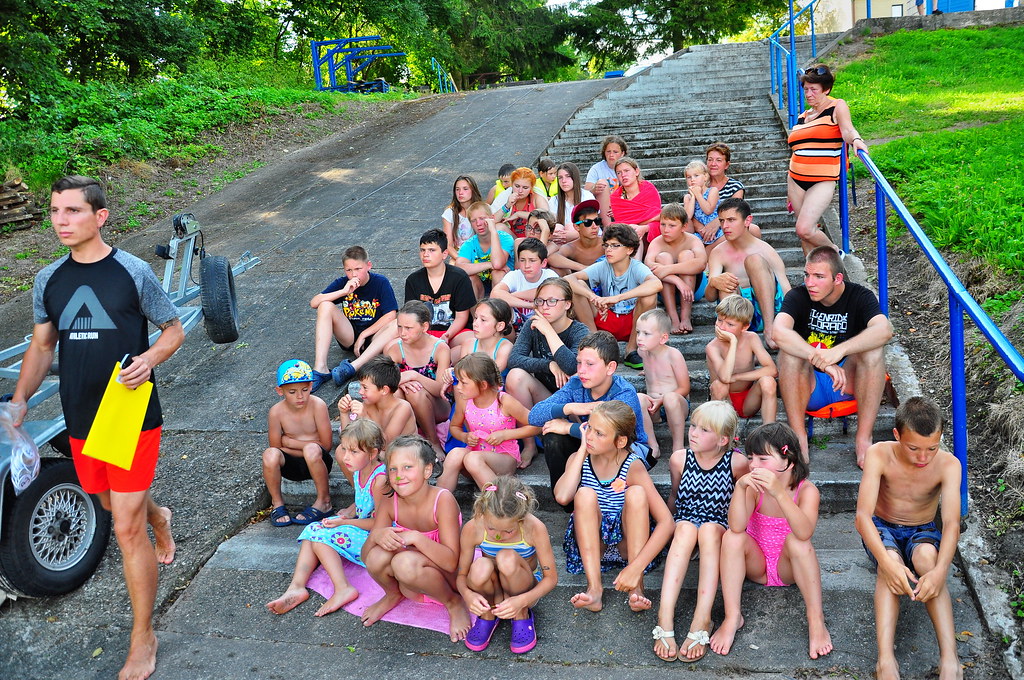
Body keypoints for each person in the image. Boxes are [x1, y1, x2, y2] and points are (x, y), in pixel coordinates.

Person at [10, 175, 184, 680]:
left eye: (72, 211)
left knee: (124, 529)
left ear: (99, 216)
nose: (60, 221)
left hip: (130, 413)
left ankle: (143, 637)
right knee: (109, 501)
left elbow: (172, 329)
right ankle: (160, 514)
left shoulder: (131, 272)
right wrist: (19, 401)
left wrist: (149, 359)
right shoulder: (49, 280)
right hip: (81, 415)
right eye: (54, 211)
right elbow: (43, 347)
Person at [856, 397, 961, 680]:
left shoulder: (949, 465)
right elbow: (862, 516)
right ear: (897, 435)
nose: (923, 458)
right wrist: (887, 564)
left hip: (922, 529)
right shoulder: (879, 454)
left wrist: (940, 572)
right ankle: (885, 660)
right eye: (914, 448)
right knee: (888, 562)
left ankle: (950, 659)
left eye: (932, 448)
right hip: (882, 527)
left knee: (927, 560)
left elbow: (951, 523)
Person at [710, 423, 833, 660]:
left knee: (798, 542)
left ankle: (816, 621)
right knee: (732, 538)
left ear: (789, 460)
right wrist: (740, 487)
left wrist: (778, 492)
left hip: (789, 568)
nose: (754, 465)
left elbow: (804, 532)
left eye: (763, 459)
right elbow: (736, 526)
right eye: (751, 458)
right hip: (756, 565)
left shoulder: (807, 491)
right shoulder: (754, 488)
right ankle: (732, 615)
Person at [774, 247, 892, 466]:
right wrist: (822, 360)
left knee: (872, 349)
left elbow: (884, 330)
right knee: (788, 354)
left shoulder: (859, 296)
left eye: (819, 277)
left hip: (848, 383)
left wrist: (839, 351)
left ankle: (863, 439)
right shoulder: (798, 296)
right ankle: (799, 439)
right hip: (810, 385)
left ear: (837, 278)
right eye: (807, 275)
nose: (810, 283)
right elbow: (778, 332)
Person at [553, 401, 674, 613]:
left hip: (627, 546)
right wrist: (581, 452)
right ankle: (594, 589)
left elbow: (667, 522)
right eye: (589, 427)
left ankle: (636, 588)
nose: (590, 436)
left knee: (636, 493)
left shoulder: (633, 465)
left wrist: (636, 568)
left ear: (620, 441)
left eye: (599, 433)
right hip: (594, 546)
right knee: (584, 494)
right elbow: (563, 496)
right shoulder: (578, 459)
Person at [654, 401, 748, 663]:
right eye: (693, 425)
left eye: (704, 430)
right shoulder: (679, 459)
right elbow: (675, 497)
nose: (693, 432)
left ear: (723, 439)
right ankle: (665, 616)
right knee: (683, 528)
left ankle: (702, 617)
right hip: (685, 525)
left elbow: (743, 506)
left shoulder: (737, 463)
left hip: (718, 527)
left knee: (707, 530)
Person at [266, 420, 387, 617]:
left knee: (320, 537)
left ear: (373, 454)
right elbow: (365, 502)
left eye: (354, 452)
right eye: (345, 450)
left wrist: (345, 522)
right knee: (314, 530)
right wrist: (349, 510)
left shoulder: (380, 479)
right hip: (364, 529)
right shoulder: (360, 470)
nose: (346, 457)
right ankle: (296, 586)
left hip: (378, 539)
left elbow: (381, 523)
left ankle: (343, 588)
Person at [360, 435, 472, 643]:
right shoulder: (389, 501)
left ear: (427, 470)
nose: (399, 475)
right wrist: (376, 535)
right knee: (377, 555)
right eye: (393, 469)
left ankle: (453, 603)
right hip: (411, 584)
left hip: (448, 580)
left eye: (408, 467)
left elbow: (451, 562)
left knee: (403, 562)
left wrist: (415, 538)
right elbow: (366, 557)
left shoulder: (442, 499)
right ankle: (392, 594)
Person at [529, 331, 654, 495]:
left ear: (610, 367)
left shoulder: (624, 393)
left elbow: (612, 439)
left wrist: (568, 428)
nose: (581, 370)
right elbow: (534, 415)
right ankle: (570, 500)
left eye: (589, 364)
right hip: (590, 445)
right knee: (553, 437)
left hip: (626, 450)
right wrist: (571, 408)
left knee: (568, 433)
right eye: (579, 363)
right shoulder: (576, 384)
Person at [458, 476, 557, 654]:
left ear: (521, 519)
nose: (498, 536)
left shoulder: (534, 528)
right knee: (480, 565)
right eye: (492, 528)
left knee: (507, 558)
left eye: (508, 531)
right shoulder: (473, 527)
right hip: (492, 588)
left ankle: (521, 614)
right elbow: (461, 575)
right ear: (482, 514)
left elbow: (551, 578)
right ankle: (487, 614)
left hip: (524, 588)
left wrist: (523, 600)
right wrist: (468, 595)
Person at [505, 278, 590, 468]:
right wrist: (549, 364)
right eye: (540, 301)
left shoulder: (579, 331)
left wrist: (548, 332)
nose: (544, 307)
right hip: (545, 397)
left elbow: (571, 367)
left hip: (574, 403)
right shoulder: (532, 325)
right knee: (515, 376)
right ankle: (529, 444)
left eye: (552, 301)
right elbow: (514, 359)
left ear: (567, 304)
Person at [788, 64, 869, 254]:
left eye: (813, 90)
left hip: (822, 178)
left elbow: (847, 130)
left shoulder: (836, 106)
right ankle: (811, 277)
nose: (808, 94)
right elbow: (797, 149)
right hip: (795, 178)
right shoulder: (803, 117)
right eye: (806, 89)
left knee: (804, 229)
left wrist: (856, 140)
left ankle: (834, 252)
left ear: (826, 89)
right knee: (805, 236)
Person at [436, 353, 539, 492]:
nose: (458, 387)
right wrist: (465, 437)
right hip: (474, 457)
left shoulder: (503, 401)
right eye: (457, 382)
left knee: (472, 459)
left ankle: (501, 503)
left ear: (483, 384)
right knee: (454, 454)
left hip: (504, 459)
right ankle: (437, 503)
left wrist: (505, 434)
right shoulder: (464, 401)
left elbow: (537, 426)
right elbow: (454, 427)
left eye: (463, 383)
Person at [566, 223, 662, 370]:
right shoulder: (603, 265)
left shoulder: (636, 267)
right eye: (606, 245)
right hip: (606, 319)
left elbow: (656, 284)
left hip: (633, 323)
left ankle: (631, 350)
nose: (608, 249)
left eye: (615, 246)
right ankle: (594, 341)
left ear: (629, 249)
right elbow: (569, 279)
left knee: (649, 295)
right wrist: (593, 297)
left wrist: (616, 298)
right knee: (577, 288)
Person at [703, 198, 791, 349]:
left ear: (747, 220)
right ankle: (741, 344)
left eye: (731, 220)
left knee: (754, 260)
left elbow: (787, 293)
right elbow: (710, 297)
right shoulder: (718, 252)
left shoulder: (765, 250)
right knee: (725, 283)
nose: (725, 226)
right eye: (722, 221)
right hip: (739, 315)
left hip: (770, 312)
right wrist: (714, 282)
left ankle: (769, 332)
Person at [309, 245, 399, 393]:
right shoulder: (343, 283)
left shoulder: (380, 282)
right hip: (349, 335)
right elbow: (314, 302)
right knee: (324, 305)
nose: (353, 274)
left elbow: (390, 315)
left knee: (397, 324)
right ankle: (321, 369)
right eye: (349, 270)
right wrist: (343, 291)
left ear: (368, 265)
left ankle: (353, 367)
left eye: (358, 269)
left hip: (375, 337)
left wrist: (364, 334)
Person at [263, 360, 334, 527]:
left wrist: (290, 442)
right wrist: (305, 446)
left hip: (319, 461)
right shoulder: (276, 412)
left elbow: (326, 445)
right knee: (269, 455)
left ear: (311, 385)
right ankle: (278, 504)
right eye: (292, 392)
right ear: (280, 391)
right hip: (292, 466)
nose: (300, 396)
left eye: (304, 390)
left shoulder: (318, 405)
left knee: (312, 450)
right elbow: (275, 447)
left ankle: (324, 501)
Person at [384, 301, 452, 460]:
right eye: (399, 327)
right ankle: (398, 444)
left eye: (408, 328)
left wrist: (414, 376)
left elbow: (440, 390)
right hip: (408, 408)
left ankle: (433, 441)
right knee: (398, 392)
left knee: (415, 392)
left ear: (425, 327)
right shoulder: (395, 348)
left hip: (438, 405)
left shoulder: (440, 348)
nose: (402, 332)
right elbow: (384, 382)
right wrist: (402, 380)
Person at [706, 295, 778, 423]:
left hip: (748, 400)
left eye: (730, 324)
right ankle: (724, 431)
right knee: (719, 385)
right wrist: (733, 342)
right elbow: (726, 378)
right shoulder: (713, 347)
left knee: (768, 381)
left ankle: (769, 432)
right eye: (719, 320)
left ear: (744, 327)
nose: (722, 327)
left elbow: (772, 370)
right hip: (723, 399)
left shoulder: (751, 338)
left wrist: (738, 377)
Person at [403, 228, 477, 342]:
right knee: (392, 339)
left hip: (454, 332)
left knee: (471, 341)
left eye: (432, 250)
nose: (425, 255)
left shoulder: (459, 277)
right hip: (423, 333)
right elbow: (412, 316)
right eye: (422, 250)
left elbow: (462, 317)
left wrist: (447, 336)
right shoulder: (413, 280)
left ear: (444, 254)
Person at [644, 202, 707, 334]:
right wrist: (678, 281)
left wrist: (668, 269)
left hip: (693, 290)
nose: (666, 230)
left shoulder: (693, 240)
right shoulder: (657, 242)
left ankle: (685, 315)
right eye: (663, 224)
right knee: (663, 257)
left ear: (684, 227)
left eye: (672, 226)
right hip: (665, 291)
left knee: (687, 255)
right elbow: (648, 267)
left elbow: (701, 264)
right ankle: (673, 317)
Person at [634, 309, 690, 456]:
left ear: (663, 338)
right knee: (638, 398)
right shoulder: (643, 352)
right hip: (654, 408)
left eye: (646, 334)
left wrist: (662, 399)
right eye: (638, 332)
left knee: (669, 397)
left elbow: (685, 387)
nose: (639, 338)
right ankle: (652, 446)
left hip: (676, 405)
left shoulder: (673, 355)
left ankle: (677, 447)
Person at [336, 355, 416, 449]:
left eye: (365, 387)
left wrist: (364, 417)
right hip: (380, 453)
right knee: (341, 451)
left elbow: (385, 445)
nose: (360, 392)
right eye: (360, 386)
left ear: (384, 390)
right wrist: (344, 413)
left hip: (403, 454)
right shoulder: (368, 404)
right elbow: (347, 440)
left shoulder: (402, 408)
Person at [490, 237, 558, 331]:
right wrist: (530, 305)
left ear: (543, 263)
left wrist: (510, 296)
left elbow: (546, 293)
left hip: (545, 324)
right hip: (518, 325)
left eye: (532, 260)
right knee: (502, 308)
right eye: (522, 260)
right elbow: (495, 294)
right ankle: (512, 343)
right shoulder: (514, 275)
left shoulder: (550, 275)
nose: (526, 265)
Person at [601, 156, 663, 251]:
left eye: (626, 171)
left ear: (636, 172)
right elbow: (622, 223)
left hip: (649, 228)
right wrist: (635, 225)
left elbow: (658, 216)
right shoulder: (615, 197)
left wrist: (644, 227)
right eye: (619, 172)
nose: (623, 175)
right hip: (627, 232)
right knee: (626, 232)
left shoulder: (649, 188)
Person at [456, 201, 514, 299]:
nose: (478, 223)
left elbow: (498, 264)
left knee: (497, 273)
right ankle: (476, 314)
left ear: (491, 219)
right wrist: (489, 264)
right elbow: (459, 268)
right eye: (474, 220)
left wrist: (493, 232)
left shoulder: (505, 238)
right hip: (481, 286)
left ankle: (498, 313)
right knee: (470, 278)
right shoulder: (469, 244)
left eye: (482, 218)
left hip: (504, 285)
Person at [448, 298, 514, 370]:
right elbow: (463, 372)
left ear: (499, 326)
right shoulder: (468, 344)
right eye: (476, 317)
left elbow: (491, 375)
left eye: (483, 320)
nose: (475, 323)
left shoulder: (505, 347)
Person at [546, 200, 605, 275]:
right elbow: (552, 258)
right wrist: (584, 268)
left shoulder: (606, 244)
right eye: (588, 222)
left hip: (607, 283)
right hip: (579, 283)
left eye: (597, 221)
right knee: (557, 269)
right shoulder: (572, 247)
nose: (595, 226)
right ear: (576, 226)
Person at [492, 167, 549, 239]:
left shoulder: (536, 197)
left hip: (535, 239)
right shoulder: (505, 196)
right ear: (512, 184)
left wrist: (519, 214)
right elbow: (491, 222)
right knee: (498, 227)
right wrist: (507, 205)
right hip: (513, 239)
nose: (520, 191)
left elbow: (547, 219)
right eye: (517, 186)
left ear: (531, 187)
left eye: (525, 187)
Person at [547, 162, 594, 245]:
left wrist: (574, 235)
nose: (563, 181)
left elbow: (592, 225)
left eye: (568, 176)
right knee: (557, 227)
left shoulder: (587, 196)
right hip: (562, 243)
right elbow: (552, 227)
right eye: (560, 178)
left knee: (571, 226)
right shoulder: (554, 201)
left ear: (574, 178)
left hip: (585, 239)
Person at [442, 175, 484, 262]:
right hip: (460, 254)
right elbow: (448, 245)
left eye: (465, 189)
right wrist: (461, 259)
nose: (460, 193)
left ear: (473, 191)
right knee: (454, 266)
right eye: (457, 189)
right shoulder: (449, 213)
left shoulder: (482, 209)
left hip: (481, 252)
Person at [682, 160, 721, 246]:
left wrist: (698, 195)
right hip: (699, 232)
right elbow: (687, 216)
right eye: (689, 177)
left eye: (696, 176)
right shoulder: (688, 197)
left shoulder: (712, 191)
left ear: (705, 177)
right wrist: (693, 197)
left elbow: (708, 210)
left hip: (716, 229)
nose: (692, 180)